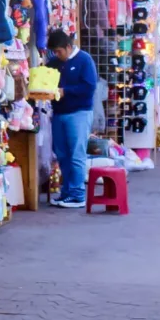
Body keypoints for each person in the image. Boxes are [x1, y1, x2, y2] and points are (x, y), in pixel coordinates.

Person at [45, 29, 98, 209]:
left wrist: (65, 91)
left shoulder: (84, 60)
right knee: (62, 154)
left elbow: (89, 87)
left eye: (59, 51)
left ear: (68, 47)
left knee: (76, 153)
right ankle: (67, 191)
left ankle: (77, 194)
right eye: (55, 52)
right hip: (59, 113)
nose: (57, 55)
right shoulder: (53, 63)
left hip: (79, 113)